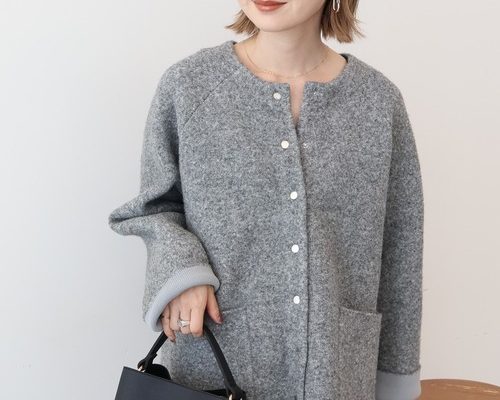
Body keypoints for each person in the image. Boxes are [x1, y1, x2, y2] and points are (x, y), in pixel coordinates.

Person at [108, 1, 424, 399]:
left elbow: (401, 251)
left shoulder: (378, 103)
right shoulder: (189, 86)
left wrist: (397, 381)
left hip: (335, 376)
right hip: (209, 373)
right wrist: (181, 270)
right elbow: (152, 208)